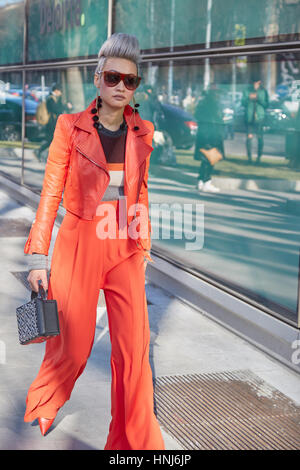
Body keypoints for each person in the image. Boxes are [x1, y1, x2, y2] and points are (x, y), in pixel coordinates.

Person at [23, 32, 165, 451]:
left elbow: (139, 192)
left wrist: (143, 245)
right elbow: (50, 192)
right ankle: (46, 397)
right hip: (80, 239)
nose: (121, 87)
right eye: (113, 77)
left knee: (134, 348)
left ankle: (135, 443)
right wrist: (37, 255)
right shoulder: (70, 126)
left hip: (124, 242)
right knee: (74, 342)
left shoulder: (144, 131)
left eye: (131, 81)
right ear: (98, 78)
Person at [193, 86, 224, 192]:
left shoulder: (202, 103)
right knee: (211, 159)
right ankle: (206, 181)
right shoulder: (214, 105)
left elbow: (197, 116)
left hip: (203, 134)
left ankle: (201, 181)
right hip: (212, 135)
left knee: (205, 159)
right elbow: (217, 120)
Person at [36, 83, 72, 160]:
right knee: (52, 140)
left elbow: (58, 108)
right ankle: (40, 151)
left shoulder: (54, 98)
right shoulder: (50, 99)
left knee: (53, 140)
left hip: (54, 123)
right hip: (51, 124)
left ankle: (41, 152)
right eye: (60, 91)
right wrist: (66, 106)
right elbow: (55, 110)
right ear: (56, 90)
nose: (61, 93)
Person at [242, 77, 269, 164]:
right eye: (253, 82)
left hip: (260, 117)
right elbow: (243, 103)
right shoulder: (247, 90)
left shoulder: (263, 91)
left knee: (260, 138)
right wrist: (249, 98)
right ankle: (249, 158)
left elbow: (266, 104)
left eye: (256, 82)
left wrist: (258, 98)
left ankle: (259, 157)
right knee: (249, 138)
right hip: (249, 117)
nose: (254, 84)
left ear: (259, 82)